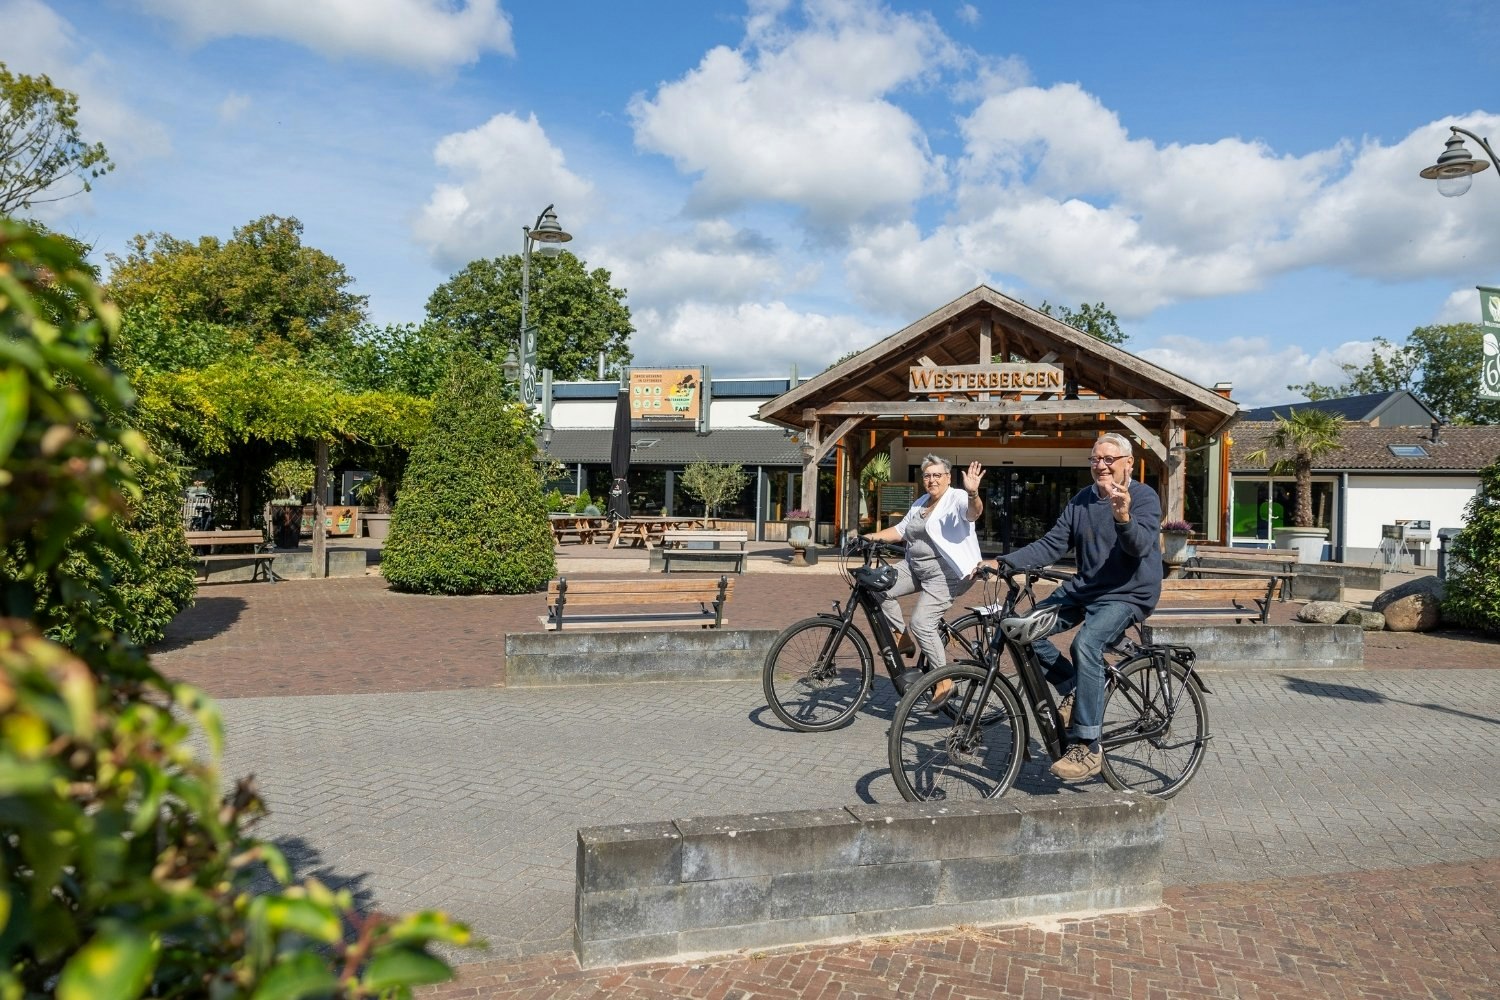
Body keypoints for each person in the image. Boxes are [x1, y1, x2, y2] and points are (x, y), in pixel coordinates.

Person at [996, 432, 1162, 781]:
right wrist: (1004, 562)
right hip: (1086, 589)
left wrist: (1123, 517)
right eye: (1094, 459)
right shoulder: (1081, 501)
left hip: (1128, 593)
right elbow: (1052, 544)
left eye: (1108, 459)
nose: (1100, 465)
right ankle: (1074, 686)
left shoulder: (1143, 498)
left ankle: (1087, 746)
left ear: (1128, 462)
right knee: (1022, 629)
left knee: (1086, 644)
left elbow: (1139, 547)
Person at [862, 456, 985, 699]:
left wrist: (973, 494)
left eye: (937, 475)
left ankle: (945, 681)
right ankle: (903, 639)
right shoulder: (920, 503)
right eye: (928, 475)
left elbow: (973, 514)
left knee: (921, 623)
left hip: (946, 574)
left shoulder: (958, 498)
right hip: (916, 567)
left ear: (948, 478)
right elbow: (899, 531)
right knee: (877, 585)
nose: (932, 480)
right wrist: (868, 537)